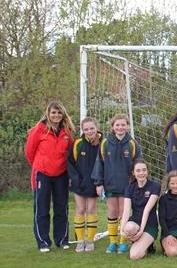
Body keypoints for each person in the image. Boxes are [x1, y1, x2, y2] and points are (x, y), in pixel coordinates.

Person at [25, 101, 75, 252]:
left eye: (59, 113)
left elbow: (71, 154)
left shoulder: (67, 131)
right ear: (48, 113)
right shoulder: (39, 130)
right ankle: (43, 242)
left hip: (61, 175)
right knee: (42, 209)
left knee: (61, 208)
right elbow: (29, 152)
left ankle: (62, 240)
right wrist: (40, 165)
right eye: (53, 112)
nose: (56, 115)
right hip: (42, 174)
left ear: (63, 114)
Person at [91, 113, 142, 254]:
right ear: (112, 127)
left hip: (127, 185)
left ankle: (123, 242)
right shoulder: (105, 143)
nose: (120, 127)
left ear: (128, 126)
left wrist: (137, 182)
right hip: (110, 184)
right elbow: (99, 164)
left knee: (123, 213)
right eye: (117, 125)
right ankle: (113, 242)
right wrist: (98, 183)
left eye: (123, 125)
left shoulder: (132, 144)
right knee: (112, 212)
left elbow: (139, 164)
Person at [67, 117, 102, 252]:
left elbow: (104, 164)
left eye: (92, 128)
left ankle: (90, 240)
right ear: (82, 130)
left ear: (96, 128)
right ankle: (80, 241)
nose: (89, 131)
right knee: (80, 209)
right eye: (86, 129)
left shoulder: (102, 144)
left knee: (91, 209)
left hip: (94, 183)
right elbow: (70, 162)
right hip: (79, 183)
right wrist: (75, 179)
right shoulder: (77, 143)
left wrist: (100, 181)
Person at [120, 159, 160, 260]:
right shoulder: (129, 188)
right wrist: (122, 230)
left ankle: (147, 244)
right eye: (138, 170)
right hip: (135, 223)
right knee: (128, 228)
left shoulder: (155, 186)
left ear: (147, 171)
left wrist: (141, 230)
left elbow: (146, 210)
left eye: (144, 170)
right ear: (133, 172)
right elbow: (126, 211)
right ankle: (141, 243)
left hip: (149, 224)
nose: (141, 173)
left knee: (134, 256)